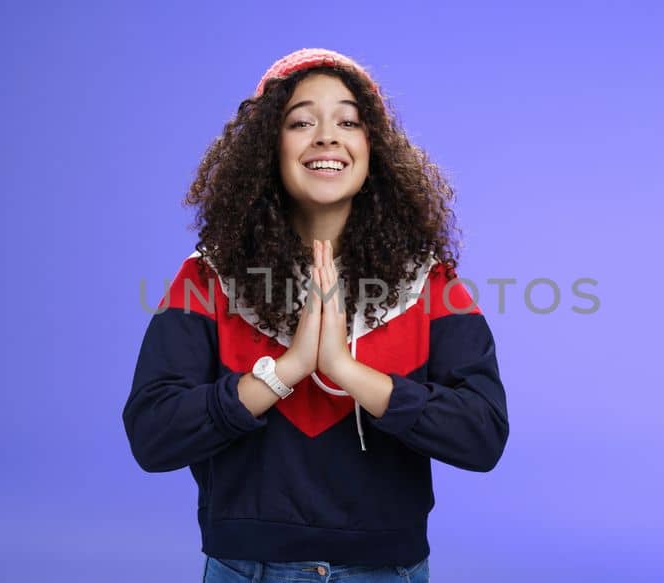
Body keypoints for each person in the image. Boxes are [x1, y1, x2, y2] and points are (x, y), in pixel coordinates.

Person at [123, 48, 509, 583]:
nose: (327, 136)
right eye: (301, 121)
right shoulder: (206, 280)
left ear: (371, 148)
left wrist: (346, 370)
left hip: (387, 571)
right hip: (247, 569)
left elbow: (482, 435)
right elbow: (152, 434)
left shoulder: (431, 284)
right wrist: (286, 371)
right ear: (267, 148)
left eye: (348, 121)